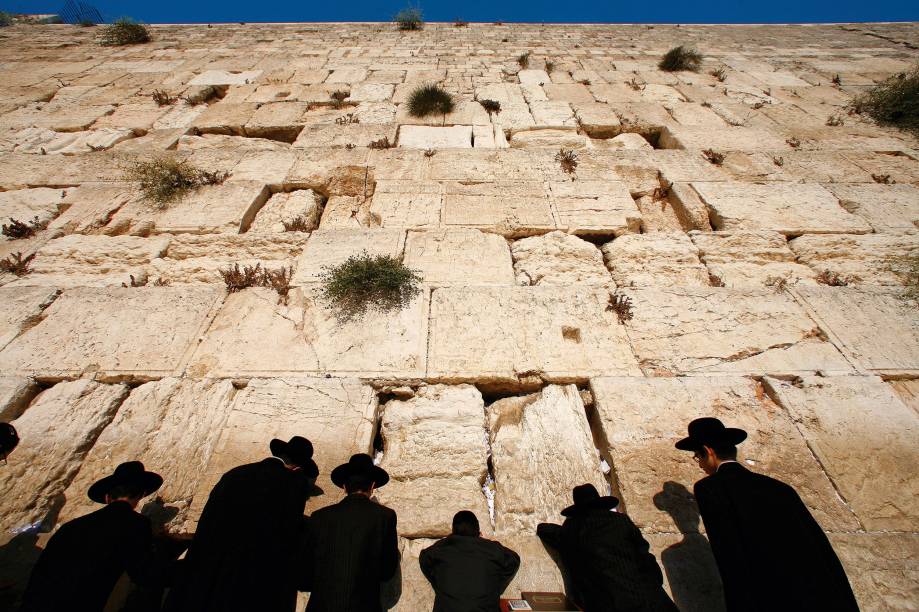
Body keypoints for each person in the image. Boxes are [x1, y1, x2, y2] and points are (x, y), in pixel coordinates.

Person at [676, 417, 858, 611]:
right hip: (818, 594)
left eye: (697, 456)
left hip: (769, 596)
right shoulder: (780, 488)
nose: (699, 464)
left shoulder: (710, 488)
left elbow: (729, 553)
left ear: (709, 451)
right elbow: (821, 547)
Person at [164, 436, 320, 612]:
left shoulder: (235, 473)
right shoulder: (293, 483)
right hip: (250, 582)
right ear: (298, 468)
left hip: (207, 574)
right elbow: (285, 535)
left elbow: (208, 520)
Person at [20, 461, 163, 612]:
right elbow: (143, 574)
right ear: (141, 495)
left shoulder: (70, 527)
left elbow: (40, 573)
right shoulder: (137, 524)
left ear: (107, 497)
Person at [537, 484, 677, 612]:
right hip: (650, 598)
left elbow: (545, 530)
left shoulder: (573, 529)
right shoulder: (621, 521)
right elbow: (646, 558)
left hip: (609, 603)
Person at [305, 453, 399, 612]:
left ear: (344, 487)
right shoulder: (385, 516)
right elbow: (387, 570)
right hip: (364, 605)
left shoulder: (319, 517)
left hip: (321, 605)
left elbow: (306, 571)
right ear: (373, 486)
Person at [419, 510, 519, 612]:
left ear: (453, 530)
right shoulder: (491, 548)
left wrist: (438, 582)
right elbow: (514, 559)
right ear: (478, 531)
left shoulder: (442, 548)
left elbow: (424, 558)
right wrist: (496, 586)